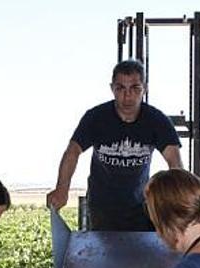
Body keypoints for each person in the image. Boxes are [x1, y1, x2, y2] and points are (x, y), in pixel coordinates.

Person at [46, 59, 183, 231]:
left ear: (144, 89)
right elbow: (73, 151)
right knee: (104, 254)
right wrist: (62, 189)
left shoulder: (157, 121)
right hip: (102, 207)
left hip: (142, 207)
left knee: (144, 253)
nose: (127, 96)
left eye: (135, 88)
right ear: (112, 89)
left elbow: (175, 163)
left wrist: (179, 198)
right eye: (120, 88)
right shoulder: (95, 118)